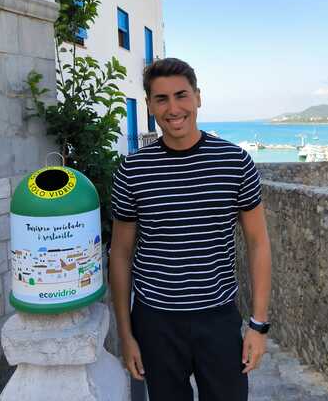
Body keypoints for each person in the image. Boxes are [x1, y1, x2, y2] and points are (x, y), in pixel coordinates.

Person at [110, 58, 272, 401]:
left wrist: (258, 325)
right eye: (161, 99)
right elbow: (120, 255)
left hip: (218, 318)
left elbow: (258, 243)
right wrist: (126, 335)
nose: (173, 109)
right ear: (150, 105)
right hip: (155, 322)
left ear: (198, 97)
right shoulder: (132, 170)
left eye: (181, 95)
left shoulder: (235, 162)